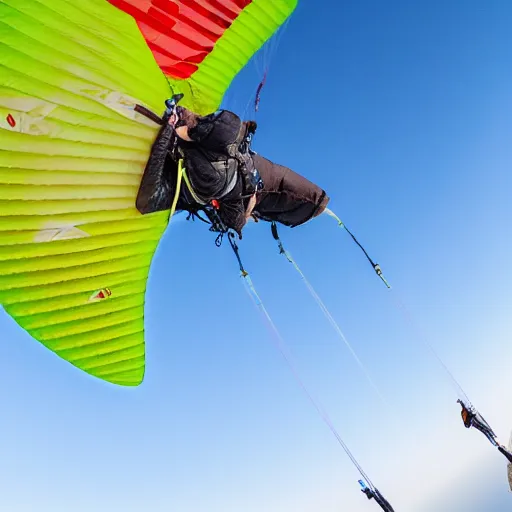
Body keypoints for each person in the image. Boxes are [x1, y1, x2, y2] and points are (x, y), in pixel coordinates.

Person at [136, 99, 330, 238]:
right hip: (233, 178)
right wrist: (173, 131)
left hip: (231, 183)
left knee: (231, 197)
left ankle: (251, 208)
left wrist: (171, 130)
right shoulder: (224, 137)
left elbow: (147, 201)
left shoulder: (212, 175)